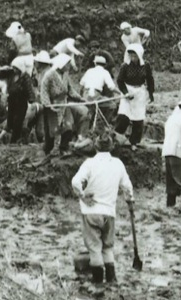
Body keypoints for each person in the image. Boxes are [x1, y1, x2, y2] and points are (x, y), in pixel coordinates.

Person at [71, 133, 134, 285]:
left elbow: (75, 182)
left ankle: (98, 281)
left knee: (94, 248)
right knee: (107, 248)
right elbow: (127, 187)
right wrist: (130, 201)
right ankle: (111, 280)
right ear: (111, 147)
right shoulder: (118, 164)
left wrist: (82, 195)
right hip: (109, 212)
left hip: (91, 212)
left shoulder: (90, 163)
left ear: (95, 146)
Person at [40, 53, 89, 155]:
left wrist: (81, 99)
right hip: (52, 106)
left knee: (68, 127)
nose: (69, 66)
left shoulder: (65, 75)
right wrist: (48, 105)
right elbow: (44, 91)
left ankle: (64, 148)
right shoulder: (49, 75)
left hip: (64, 104)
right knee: (51, 132)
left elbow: (70, 90)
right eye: (67, 64)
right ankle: (47, 150)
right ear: (61, 64)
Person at [115, 43, 154, 149]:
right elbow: (120, 81)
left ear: (140, 55)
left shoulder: (146, 65)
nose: (133, 58)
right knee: (123, 116)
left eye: (135, 56)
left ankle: (134, 142)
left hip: (140, 92)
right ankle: (116, 138)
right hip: (128, 90)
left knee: (138, 117)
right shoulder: (125, 66)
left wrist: (151, 93)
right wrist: (125, 93)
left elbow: (150, 79)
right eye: (131, 56)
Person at [0, 56, 36, 143]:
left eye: (16, 68)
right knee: (10, 119)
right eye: (13, 68)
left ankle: (14, 139)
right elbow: (0, 76)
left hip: (21, 101)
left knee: (18, 120)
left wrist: (31, 99)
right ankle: (7, 136)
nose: (14, 70)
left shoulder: (25, 77)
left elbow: (29, 89)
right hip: (11, 100)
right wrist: (5, 70)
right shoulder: (11, 75)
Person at [80, 55, 120, 130]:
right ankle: (104, 125)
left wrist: (81, 96)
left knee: (92, 108)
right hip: (95, 95)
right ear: (104, 65)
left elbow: (81, 84)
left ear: (95, 63)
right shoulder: (105, 72)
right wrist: (121, 93)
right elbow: (112, 87)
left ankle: (94, 124)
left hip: (86, 93)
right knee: (112, 105)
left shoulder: (89, 71)